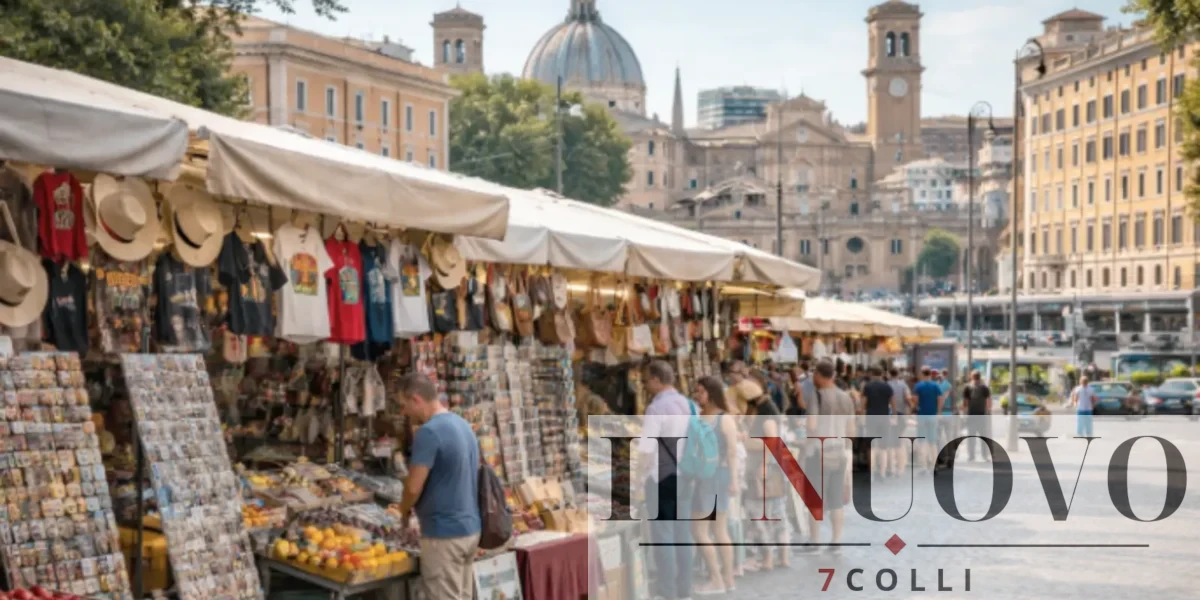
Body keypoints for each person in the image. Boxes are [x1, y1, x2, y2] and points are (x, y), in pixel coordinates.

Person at [395, 374, 480, 600]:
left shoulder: (429, 432)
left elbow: (413, 487)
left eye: (404, 406)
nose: (403, 413)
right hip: (469, 530)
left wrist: (403, 511)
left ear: (416, 400)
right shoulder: (463, 425)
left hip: (444, 535)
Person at [637, 360, 696, 600]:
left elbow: (646, 449)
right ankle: (684, 590)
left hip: (662, 477)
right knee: (682, 534)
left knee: (663, 535)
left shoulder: (657, 408)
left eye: (646, 380)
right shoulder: (687, 404)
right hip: (686, 475)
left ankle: (667, 591)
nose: (644, 384)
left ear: (655, 380)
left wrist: (636, 479)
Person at [690, 376, 739, 595]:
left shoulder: (715, 418)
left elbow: (732, 453)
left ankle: (717, 578)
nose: (697, 395)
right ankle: (727, 578)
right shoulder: (720, 418)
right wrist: (733, 480)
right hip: (718, 475)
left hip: (708, 477)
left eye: (700, 391)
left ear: (711, 392)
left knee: (700, 530)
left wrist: (735, 480)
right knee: (719, 530)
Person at [804, 360, 856, 554]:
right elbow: (851, 430)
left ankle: (815, 540)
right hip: (839, 452)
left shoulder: (815, 397)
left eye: (814, 375)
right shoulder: (846, 397)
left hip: (819, 451)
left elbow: (811, 426)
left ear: (818, 375)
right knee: (836, 500)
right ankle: (836, 541)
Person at [744, 390, 789, 570]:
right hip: (772, 472)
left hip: (766, 473)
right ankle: (782, 557)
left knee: (762, 515)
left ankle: (769, 558)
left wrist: (764, 465)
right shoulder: (771, 419)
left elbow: (772, 443)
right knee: (777, 515)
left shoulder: (766, 420)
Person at [861, 367, 898, 479]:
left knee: (871, 446)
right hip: (884, 418)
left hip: (871, 418)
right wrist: (894, 415)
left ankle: (871, 472)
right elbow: (893, 402)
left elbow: (863, 403)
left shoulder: (867, 386)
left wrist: (861, 415)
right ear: (882, 374)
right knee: (883, 446)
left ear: (872, 373)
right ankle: (882, 472)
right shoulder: (887, 386)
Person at [911, 368, 946, 472]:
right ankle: (934, 465)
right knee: (932, 442)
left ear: (922, 374)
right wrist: (939, 412)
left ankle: (924, 466)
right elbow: (940, 399)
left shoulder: (918, 386)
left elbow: (915, 400)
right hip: (933, 416)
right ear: (930, 374)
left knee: (922, 442)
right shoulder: (935, 386)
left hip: (921, 415)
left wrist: (916, 406)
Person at [962, 371, 993, 461]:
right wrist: (988, 411)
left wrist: (965, 413)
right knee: (983, 436)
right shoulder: (984, 388)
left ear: (971, 377)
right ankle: (984, 455)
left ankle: (971, 455)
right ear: (980, 377)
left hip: (971, 415)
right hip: (982, 415)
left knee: (971, 436)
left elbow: (965, 402)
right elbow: (988, 401)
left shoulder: (967, 387)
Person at [886, 368, 912, 476]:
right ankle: (900, 469)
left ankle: (891, 467)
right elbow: (908, 398)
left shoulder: (886, 385)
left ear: (889, 374)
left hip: (889, 415)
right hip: (901, 415)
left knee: (889, 442)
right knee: (899, 442)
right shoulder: (903, 385)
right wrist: (910, 409)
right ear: (898, 374)